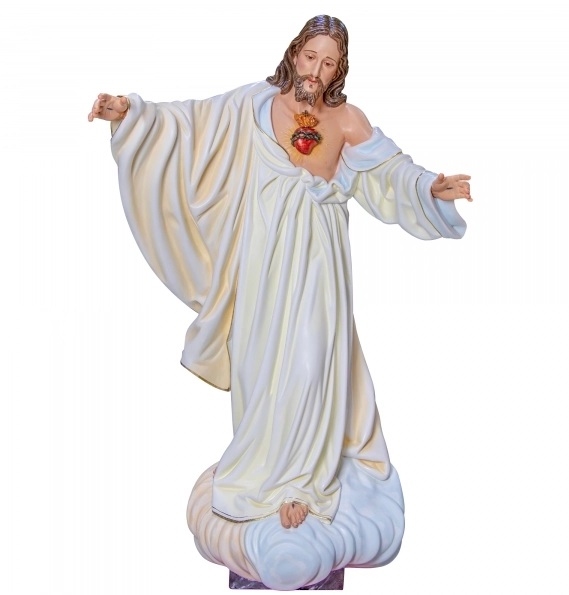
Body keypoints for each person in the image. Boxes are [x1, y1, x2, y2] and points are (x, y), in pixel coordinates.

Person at [88, 15, 471, 531]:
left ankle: (302, 485)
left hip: (318, 261)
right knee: (260, 366)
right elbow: (189, 123)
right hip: (261, 258)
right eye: (310, 56)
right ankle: (262, 475)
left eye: (328, 62)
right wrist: (132, 111)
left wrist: (430, 187)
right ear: (294, 54)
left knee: (312, 362)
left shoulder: (347, 120)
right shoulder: (253, 104)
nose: (316, 69)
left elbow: (392, 172)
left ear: (339, 70)